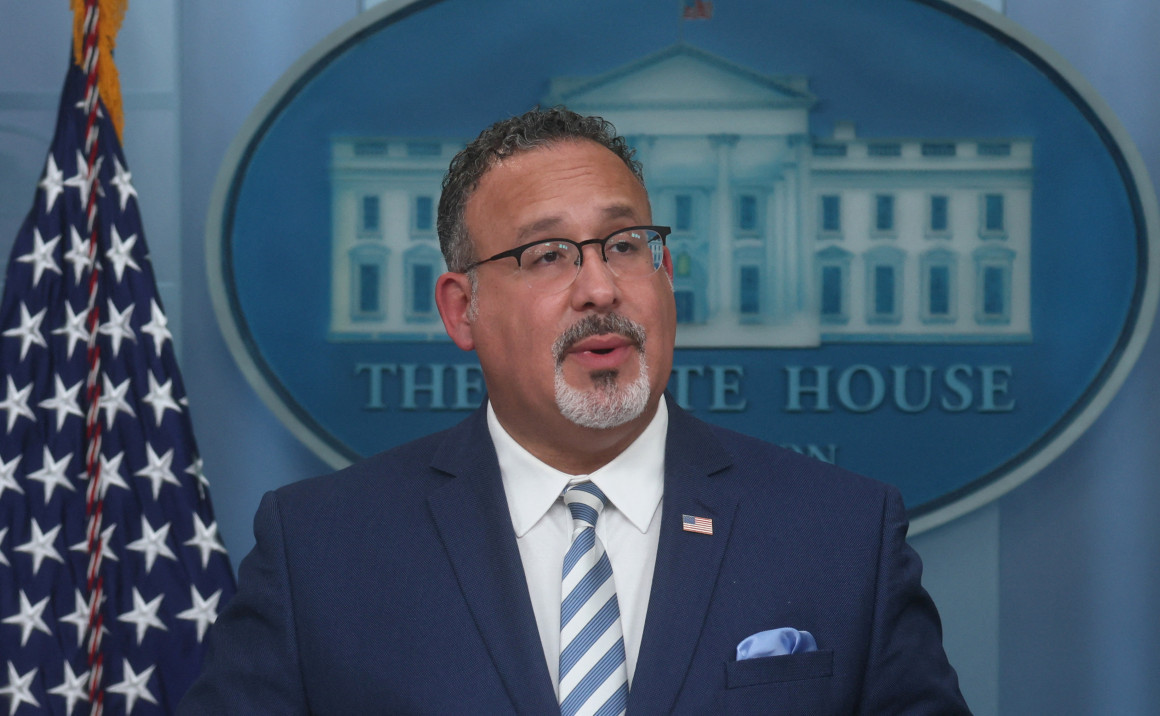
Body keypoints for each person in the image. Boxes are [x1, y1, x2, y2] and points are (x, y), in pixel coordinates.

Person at [180, 107, 969, 714]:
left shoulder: (842, 535)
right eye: (548, 256)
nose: (600, 288)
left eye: (625, 244)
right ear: (462, 311)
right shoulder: (319, 551)